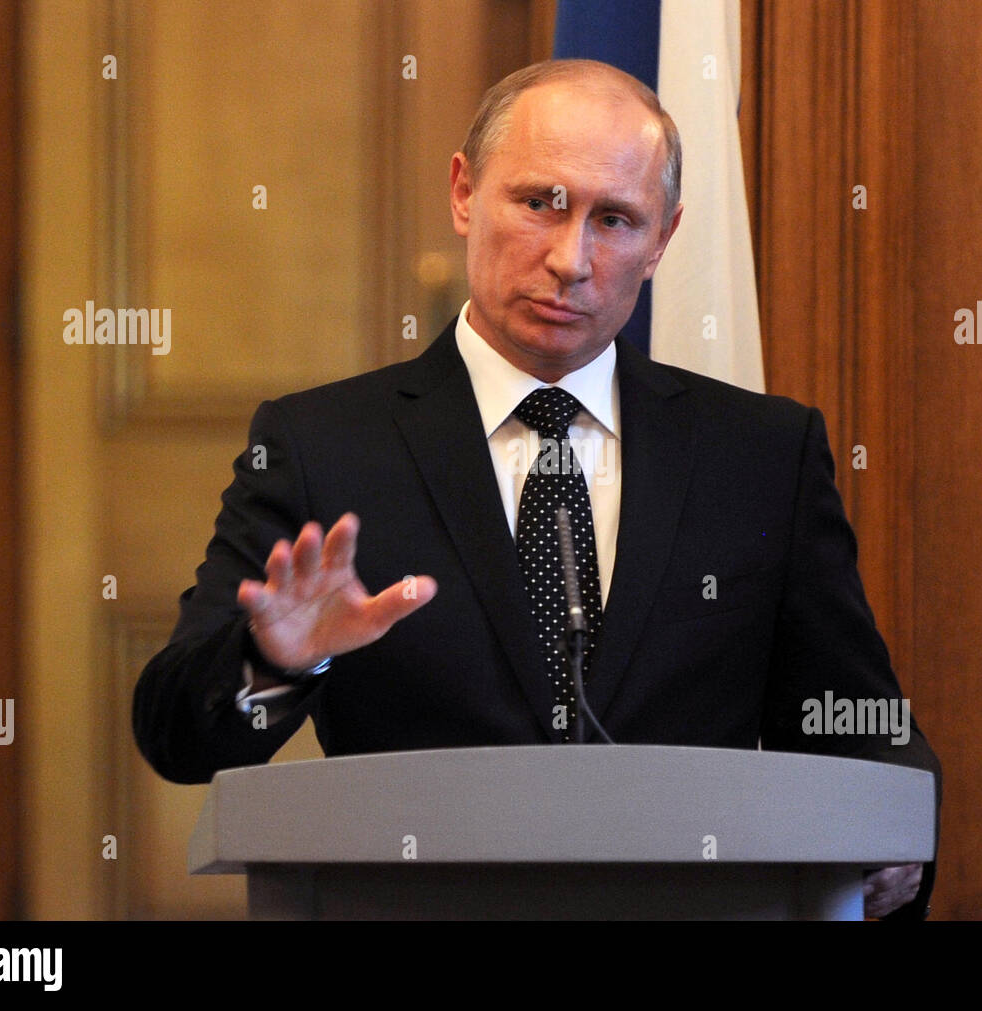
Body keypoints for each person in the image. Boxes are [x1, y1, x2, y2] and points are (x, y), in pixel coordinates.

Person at [133, 58, 940, 919]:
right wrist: (280, 660)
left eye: (616, 220)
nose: (571, 259)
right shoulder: (323, 447)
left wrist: (898, 818)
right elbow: (181, 731)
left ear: (663, 240)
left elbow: (852, 715)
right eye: (539, 202)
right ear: (463, 193)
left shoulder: (761, 454)